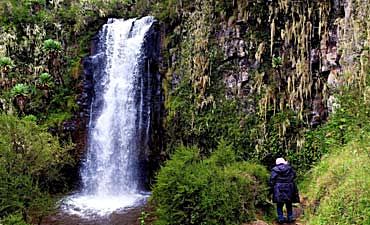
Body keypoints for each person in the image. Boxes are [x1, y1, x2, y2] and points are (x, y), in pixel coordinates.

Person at [269, 158, 300, 223]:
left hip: (278, 188)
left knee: (279, 204)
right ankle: (290, 217)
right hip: (289, 187)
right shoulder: (289, 168)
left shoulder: (274, 169)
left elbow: (272, 180)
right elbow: (294, 176)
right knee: (289, 203)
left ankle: (280, 218)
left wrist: (271, 188)